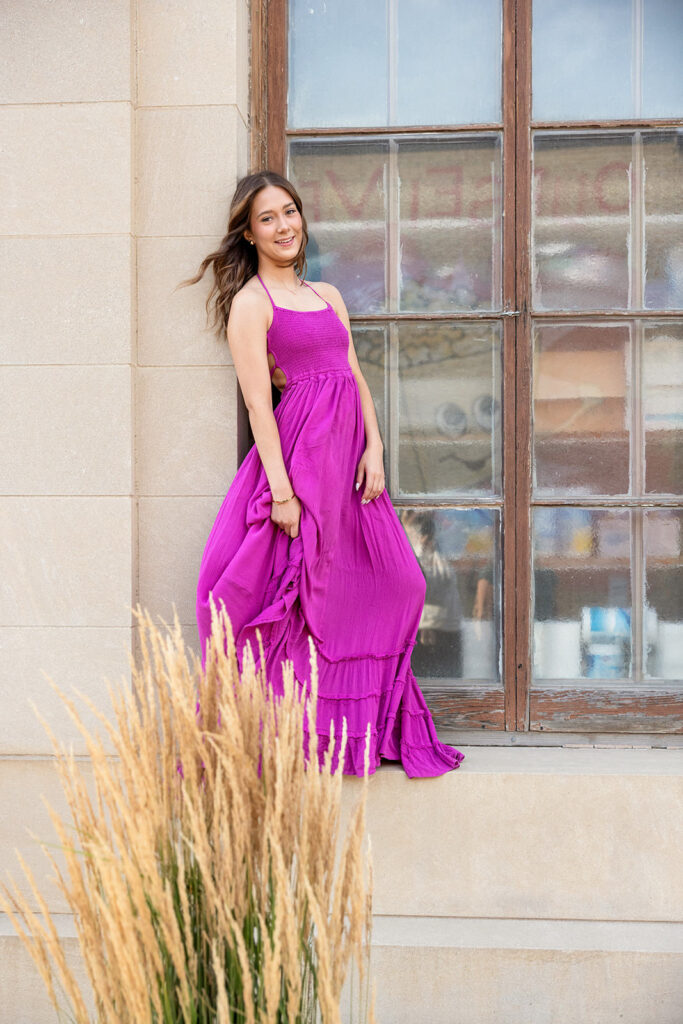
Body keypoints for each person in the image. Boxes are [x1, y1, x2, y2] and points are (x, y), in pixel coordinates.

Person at [181, 169, 464, 778]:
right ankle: (297, 741)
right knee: (301, 601)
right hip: (300, 466)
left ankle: (362, 729)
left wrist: (376, 448)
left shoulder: (328, 295)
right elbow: (260, 403)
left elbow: (353, 374)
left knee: (401, 584)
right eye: (267, 218)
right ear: (250, 233)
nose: (283, 226)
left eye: (289, 212)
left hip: (350, 467)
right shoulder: (251, 304)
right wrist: (281, 493)